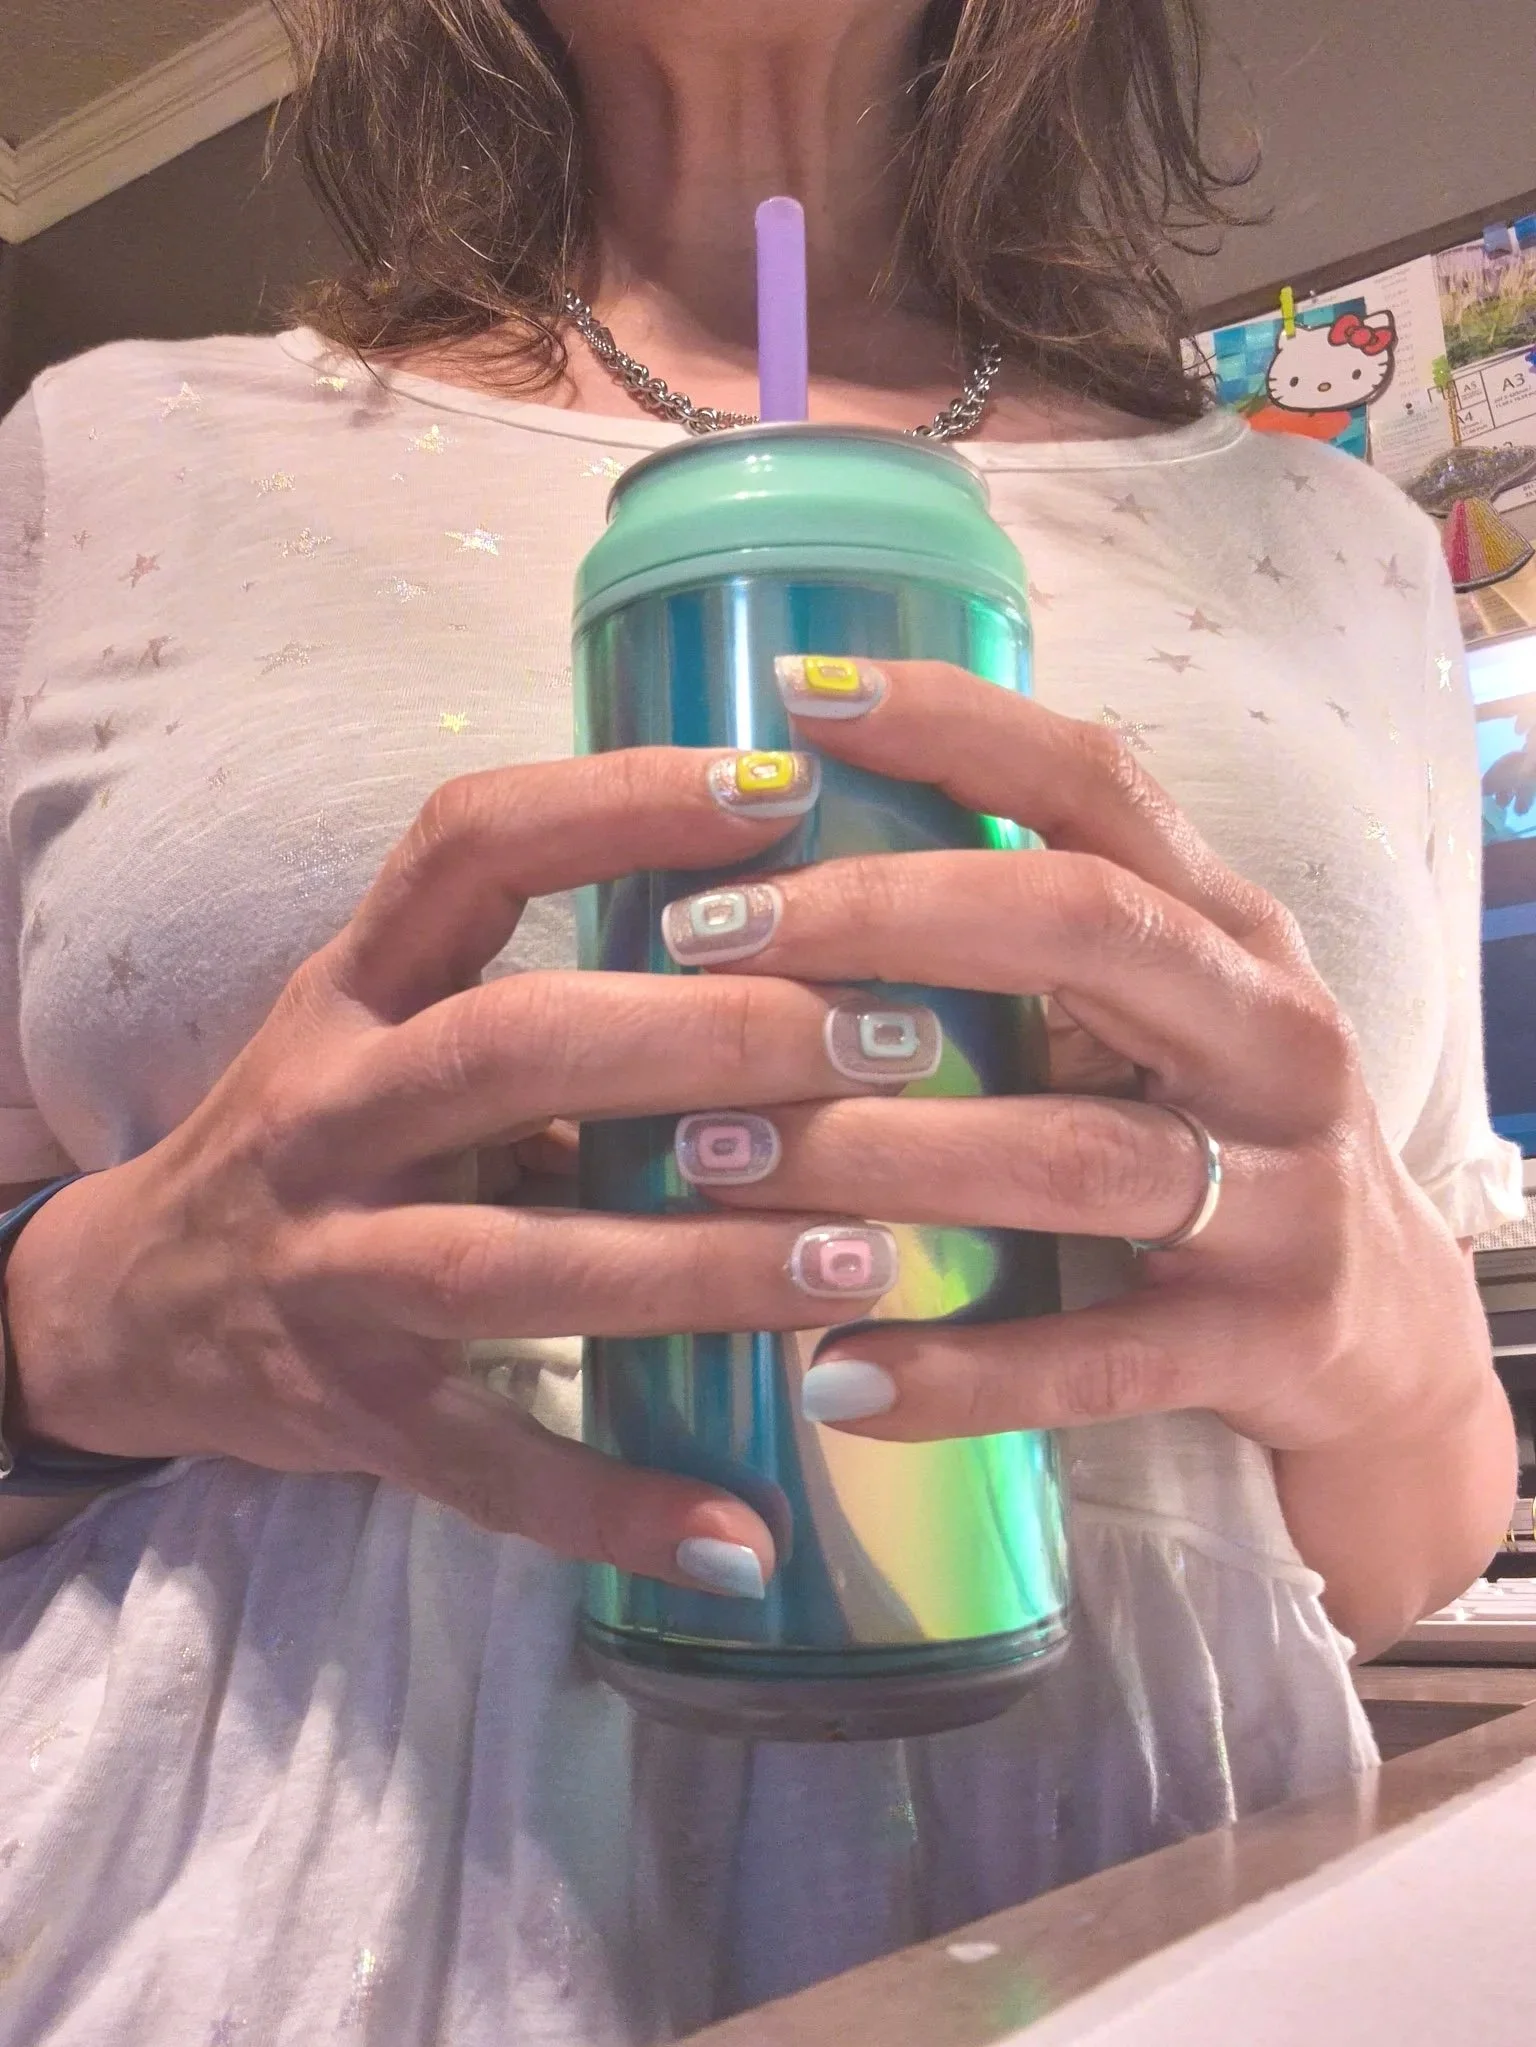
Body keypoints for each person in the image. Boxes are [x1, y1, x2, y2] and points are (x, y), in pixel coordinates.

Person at [0, 0, 1522, 2038]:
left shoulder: (1338, 542)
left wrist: (1386, 1358)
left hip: (1132, 1902)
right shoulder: (102, 452)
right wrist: (86, 1315)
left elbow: (1407, 1545)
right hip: (253, 1909)